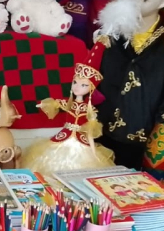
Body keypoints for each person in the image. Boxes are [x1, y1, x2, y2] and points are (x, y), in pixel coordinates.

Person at [95, 0, 164, 169]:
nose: (135, 3)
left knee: (125, 172)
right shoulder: (115, 28)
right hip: (103, 112)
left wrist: (163, 109)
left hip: (137, 120)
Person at [21, 43, 116, 175]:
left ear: (91, 88)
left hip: (81, 144)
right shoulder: (70, 104)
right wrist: (46, 104)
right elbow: (56, 104)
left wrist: (93, 151)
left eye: (83, 85)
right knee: (48, 164)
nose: (77, 87)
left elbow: (89, 132)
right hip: (63, 137)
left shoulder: (89, 110)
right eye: (75, 82)